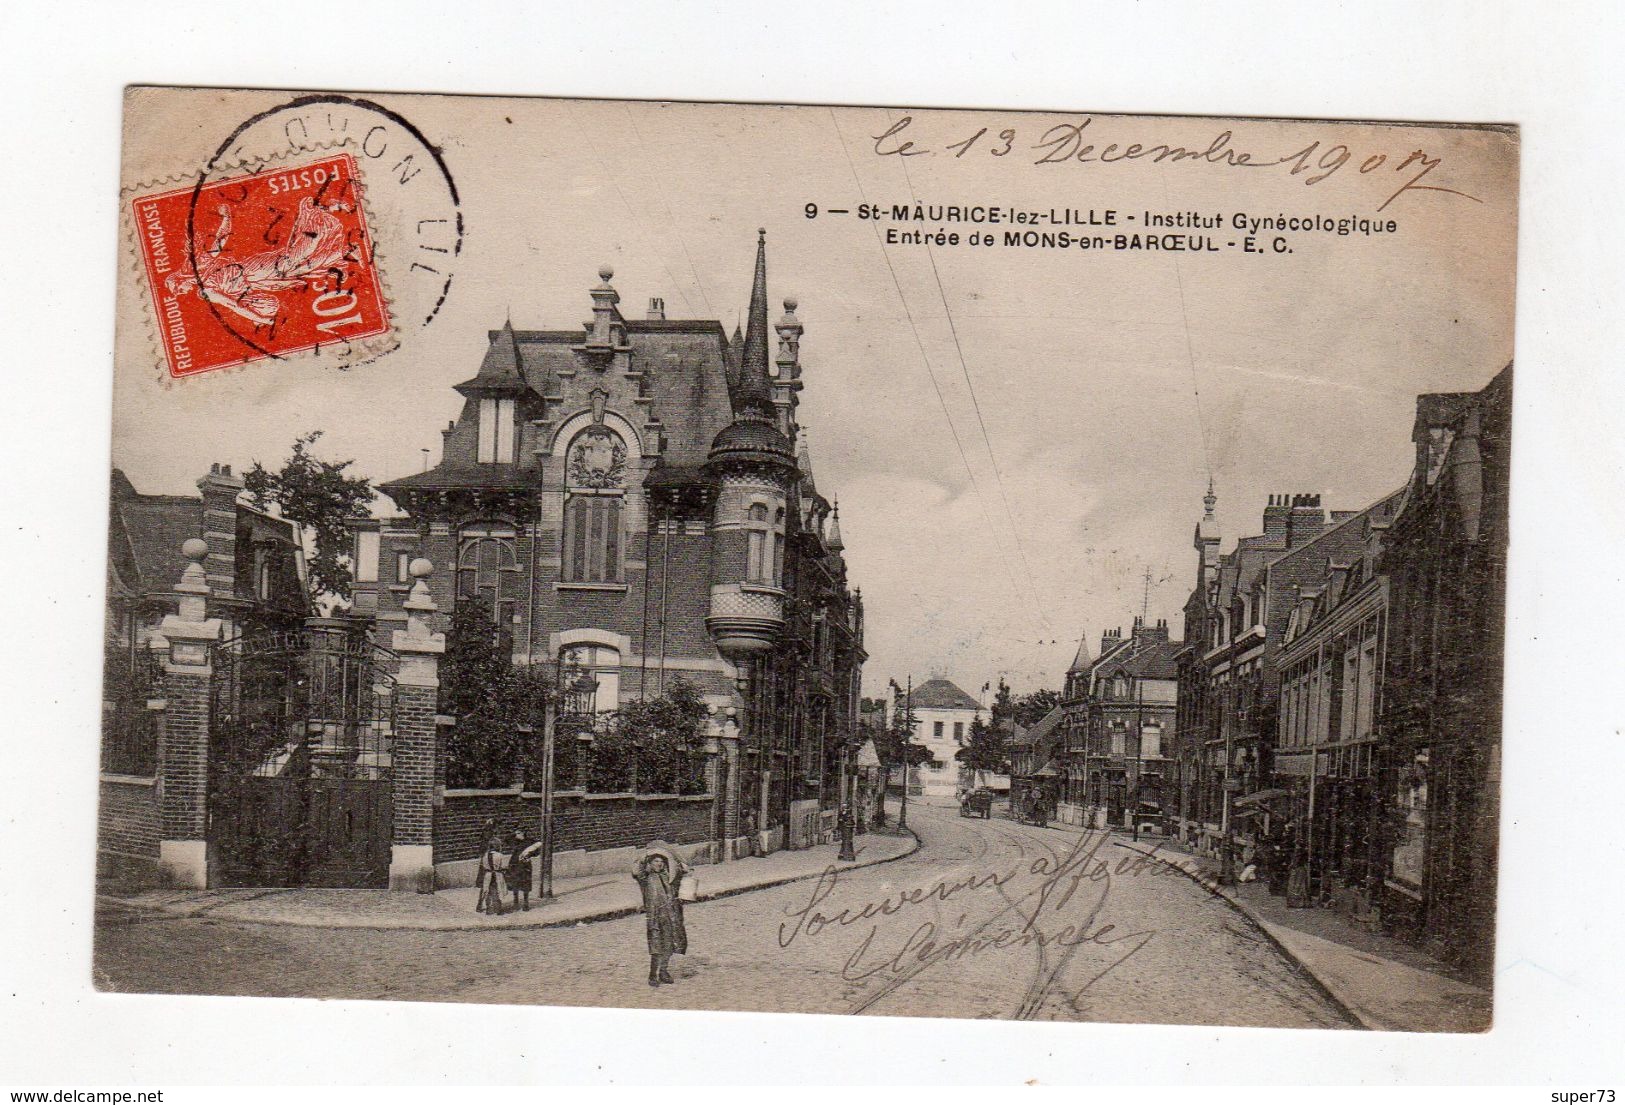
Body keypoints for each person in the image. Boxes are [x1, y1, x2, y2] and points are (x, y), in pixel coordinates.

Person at [631, 845, 689, 987]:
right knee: (656, 946)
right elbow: (636, 871)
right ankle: (653, 974)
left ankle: (663, 971)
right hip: (655, 917)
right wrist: (645, 855)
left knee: (669, 944)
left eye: (661, 862)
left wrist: (683, 868)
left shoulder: (668, 877)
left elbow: (681, 874)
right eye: (656, 861)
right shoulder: (645, 878)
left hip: (671, 915)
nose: (659, 864)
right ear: (650, 863)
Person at [476, 831, 508, 915]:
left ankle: (488, 909)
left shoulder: (485, 855)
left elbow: (483, 865)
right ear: (498, 846)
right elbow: (504, 866)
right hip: (497, 875)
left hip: (488, 875)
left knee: (487, 891)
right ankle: (498, 909)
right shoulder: (500, 855)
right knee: (497, 891)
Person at [506, 828, 536, 912]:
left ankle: (526, 903)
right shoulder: (514, 841)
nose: (517, 834)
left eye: (519, 832)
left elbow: (536, 851)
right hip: (514, 864)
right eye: (516, 833)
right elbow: (506, 839)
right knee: (515, 882)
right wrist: (514, 834)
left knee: (526, 882)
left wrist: (530, 854)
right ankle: (516, 902)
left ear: (523, 833)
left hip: (525, 864)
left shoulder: (530, 841)